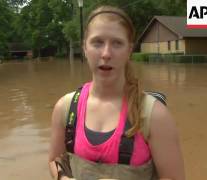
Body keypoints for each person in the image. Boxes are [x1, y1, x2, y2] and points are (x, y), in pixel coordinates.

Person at [49, 5, 185, 180]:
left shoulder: (154, 115)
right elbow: (54, 160)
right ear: (84, 48)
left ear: (129, 50)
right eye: (97, 42)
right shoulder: (66, 108)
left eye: (117, 43)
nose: (106, 53)